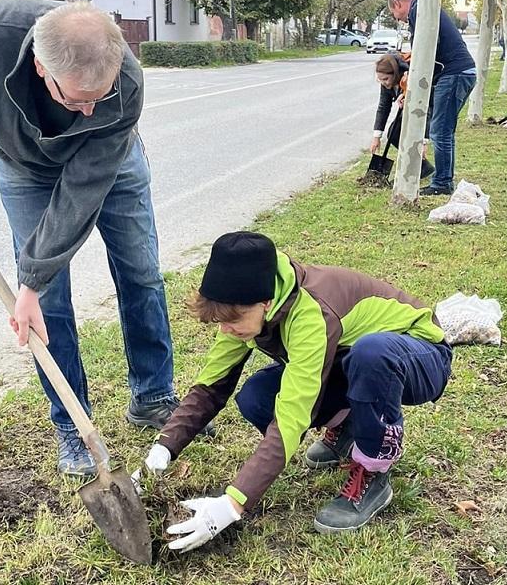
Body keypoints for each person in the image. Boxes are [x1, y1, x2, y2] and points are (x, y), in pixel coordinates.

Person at [0, 0, 191, 477]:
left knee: (142, 273)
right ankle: (73, 426)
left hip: (111, 160)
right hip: (22, 165)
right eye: (76, 99)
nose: (89, 108)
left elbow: (80, 196)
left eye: (98, 97)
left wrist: (29, 281)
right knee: (49, 306)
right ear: (40, 67)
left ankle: (153, 397)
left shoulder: (125, 82)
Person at [139, 231, 451, 550]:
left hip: (419, 356)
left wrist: (231, 505)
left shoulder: (311, 314)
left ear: (267, 303)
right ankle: (349, 428)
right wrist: (162, 450)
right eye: (219, 320)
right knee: (257, 396)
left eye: (232, 320)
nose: (225, 330)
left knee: (372, 354)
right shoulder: (247, 299)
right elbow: (210, 388)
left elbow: (292, 418)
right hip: (350, 361)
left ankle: (374, 469)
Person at [387, 0, 477, 196]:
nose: (397, 19)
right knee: (444, 130)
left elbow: (426, 48)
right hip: (461, 72)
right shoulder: (425, 7)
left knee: (440, 131)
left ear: (397, 4)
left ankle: (443, 183)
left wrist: (412, 75)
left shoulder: (419, 11)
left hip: (454, 74)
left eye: (395, 14)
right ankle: (444, 179)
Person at [360, 54, 434, 186]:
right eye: (380, 80)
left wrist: (424, 141)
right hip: (408, 108)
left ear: (395, 74)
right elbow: (383, 107)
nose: (384, 83)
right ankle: (421, 166)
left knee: (398, 132)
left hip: (427, 107)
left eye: (386, 79)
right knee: (393, 134)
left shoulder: (411, 77)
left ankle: (418, 167)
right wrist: (376, 137)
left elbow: (426, 109)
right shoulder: (386, 85)